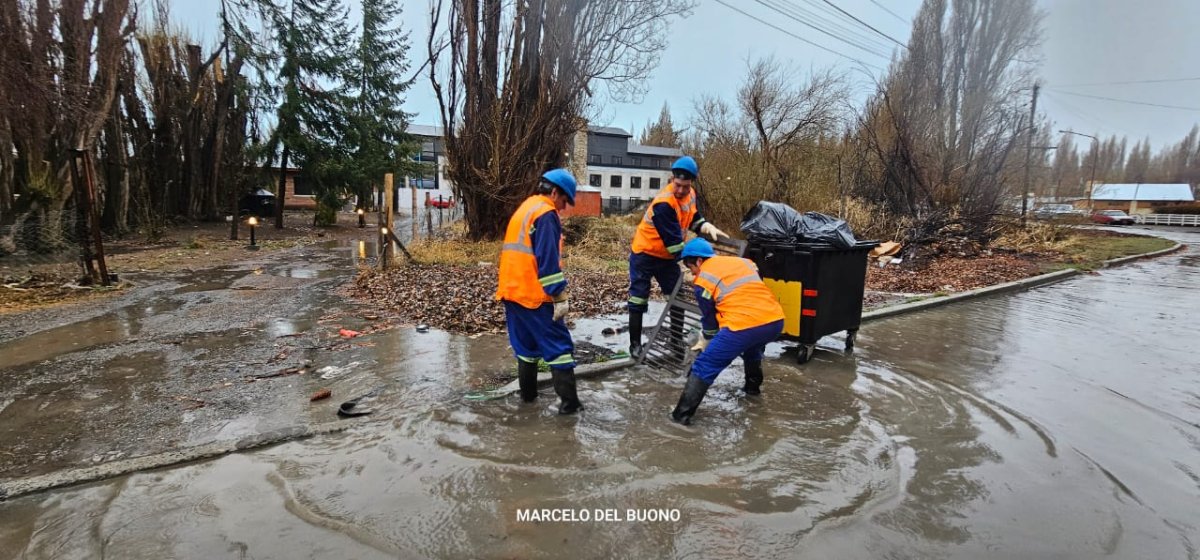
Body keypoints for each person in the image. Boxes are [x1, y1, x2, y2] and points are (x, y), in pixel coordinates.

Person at [495, 169, 583, 414]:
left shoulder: (525, 208)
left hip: (511, 292)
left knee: (526, 350)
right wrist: (559, 295)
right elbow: (547, 260)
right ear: (554, 192)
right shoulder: (546, 213)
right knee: (560, 348)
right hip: (534, 295)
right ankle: (570, 407)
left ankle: (528, 402)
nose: (563, 208)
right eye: (564, 200)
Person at [671, 238, 785, 425]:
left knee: (705, 365)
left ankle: (680, 418)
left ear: (699, 260)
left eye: (691, 268)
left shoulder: (703, 280)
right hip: (775, 321)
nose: (692, 273)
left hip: (744, 326)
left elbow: (710, 322)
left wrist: (705, 341)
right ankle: (752, 391)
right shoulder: (743, 262)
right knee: (752, 350)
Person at [627, 156, 729, 357]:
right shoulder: (663, 204)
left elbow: (692, 217)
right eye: (678, 185)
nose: (681, 190)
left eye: (685, 186)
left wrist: (705, 225)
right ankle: (635, 345)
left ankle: (675, 343)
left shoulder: (691, 195)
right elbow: (675, 245)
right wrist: (695, 267)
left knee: (677, 297)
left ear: (691, 183)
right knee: (638, 299)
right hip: (645, 254)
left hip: (665, 257)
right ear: (672, 179)